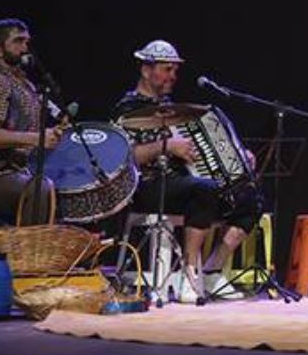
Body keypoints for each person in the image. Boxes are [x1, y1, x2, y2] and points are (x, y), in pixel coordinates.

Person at [113, 40, 263, 303]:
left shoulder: (175, 110)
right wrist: (167, 146)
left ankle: (211, 270)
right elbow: (125, 156)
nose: (173, 76)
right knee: (204, 190)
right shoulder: (128, 109)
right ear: (146, 70)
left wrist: (237, 159)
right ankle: (188, 273)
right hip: (148, 186)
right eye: (167, 69)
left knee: (249, 197)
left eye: (175, 71)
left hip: (183, 183)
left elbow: (201, 150)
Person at [0, 19, 57, 225]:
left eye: (27, 42)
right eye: (18, 41)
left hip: (21, 172)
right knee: (41, 188)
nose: (25, 47)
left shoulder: (26, 84)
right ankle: (31, 254)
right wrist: (37, 138)